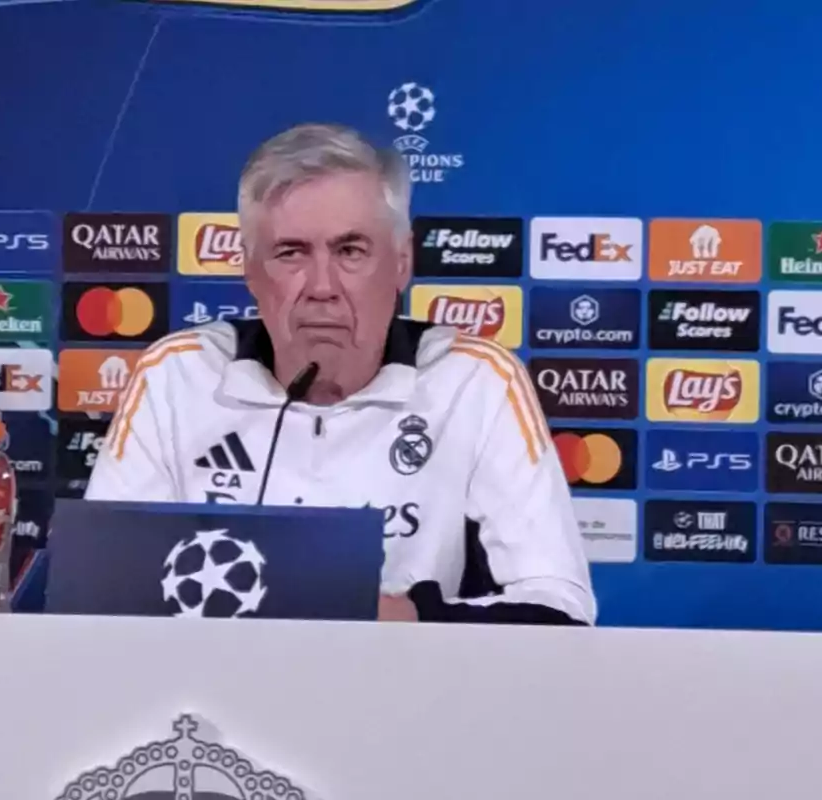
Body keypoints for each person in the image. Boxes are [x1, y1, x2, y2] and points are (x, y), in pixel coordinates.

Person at [84, 123, 595, 626]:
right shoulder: (177, 376)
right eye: (292, 253)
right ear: (249, 270)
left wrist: (404, 619)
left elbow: (561, 608)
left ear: (401, 262)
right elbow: (97, 593)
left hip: (408, 695)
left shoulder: (475, 381)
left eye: (351, 251)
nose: (322, 286)